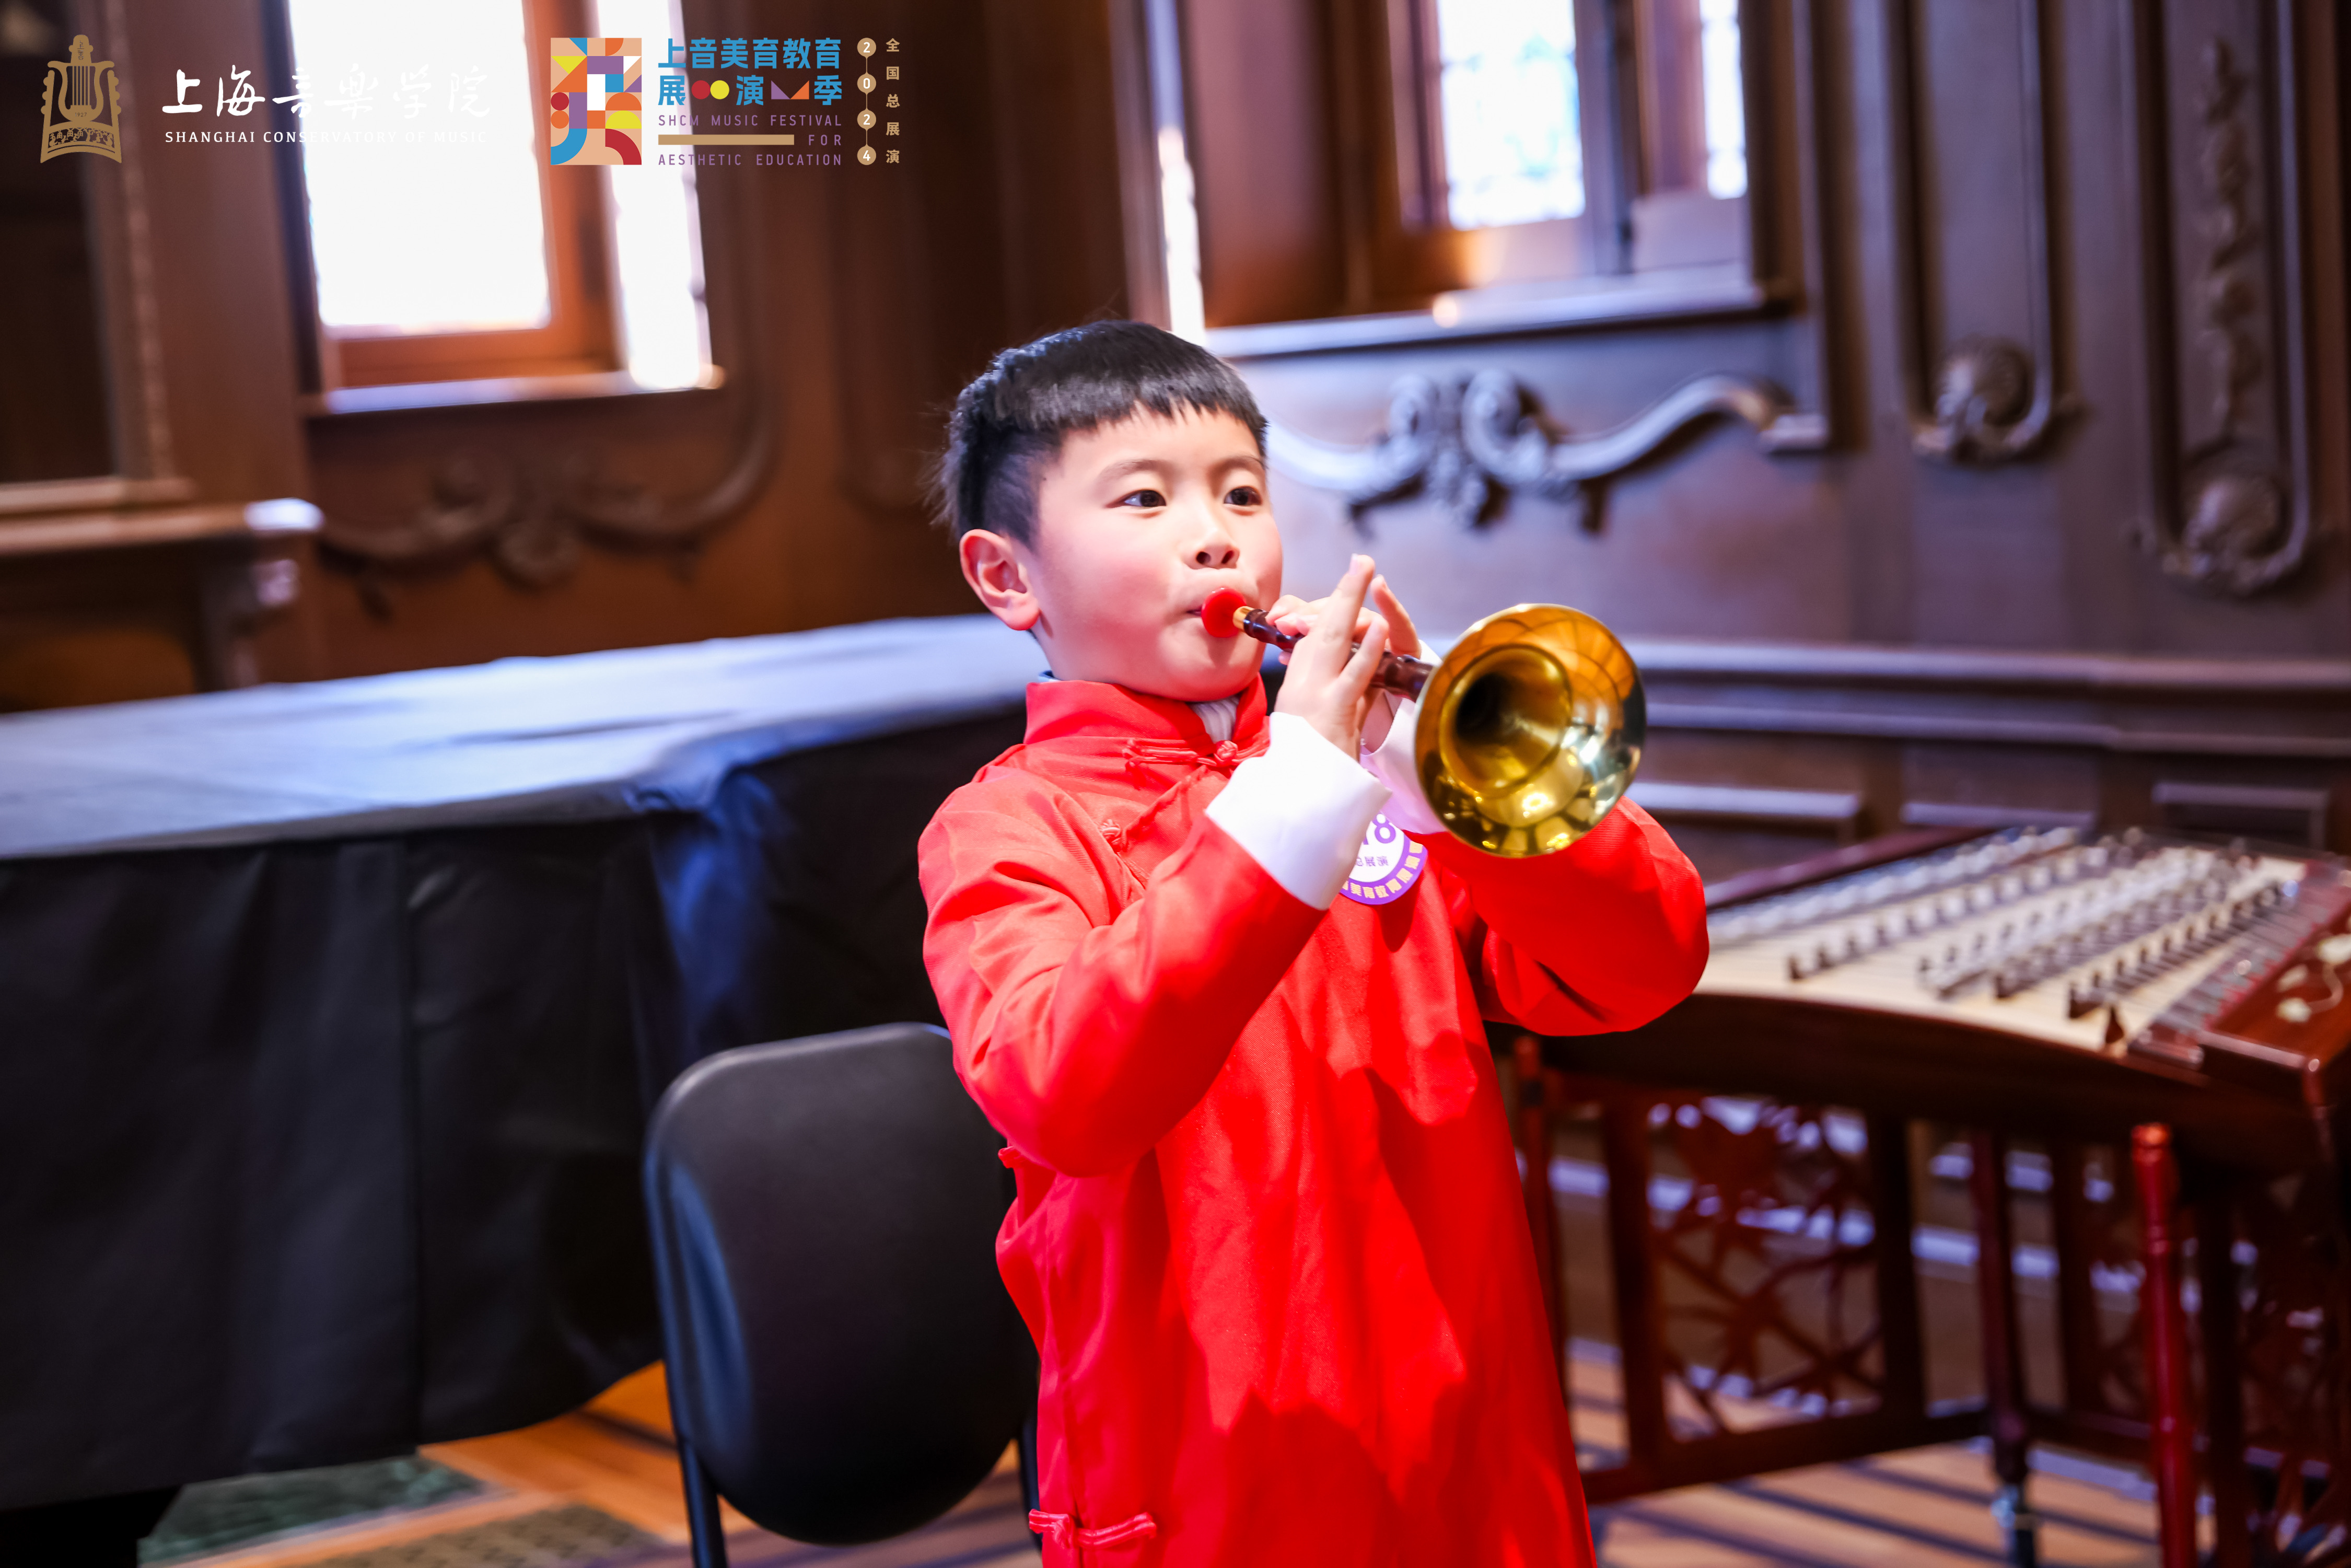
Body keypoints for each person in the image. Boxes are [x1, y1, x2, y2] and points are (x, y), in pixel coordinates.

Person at [918, 320, 1708, 1566]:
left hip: (1468, 1443)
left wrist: (1420, 760)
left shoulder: (1365, 782)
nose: (1215, 532)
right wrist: (1295, 792)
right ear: (1008, 577)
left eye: (1242, 490)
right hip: (1213, 1478)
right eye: (1144, 498)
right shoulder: (1006, 827)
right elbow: (1067, 1090)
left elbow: (1639, 965)